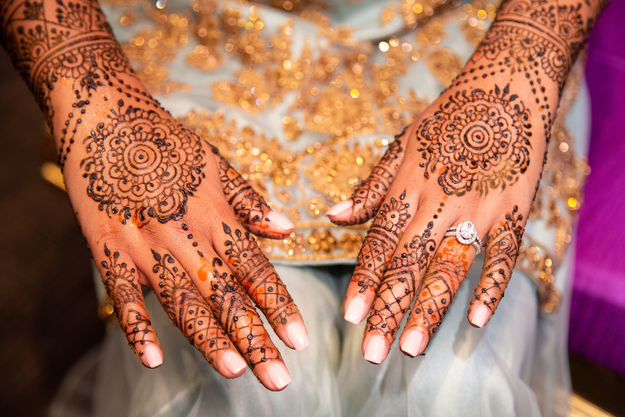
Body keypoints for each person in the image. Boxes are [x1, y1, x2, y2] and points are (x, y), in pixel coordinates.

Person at [0, 0, 604, 415]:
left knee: (456, 392)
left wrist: (527, 60)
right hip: (200, 37)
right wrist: (88, 91)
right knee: (248, 393)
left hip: (479, 44)